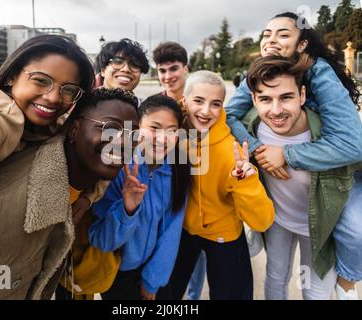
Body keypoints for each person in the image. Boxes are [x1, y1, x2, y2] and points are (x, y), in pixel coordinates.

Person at [0, 87, 139, 299]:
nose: (124, 142)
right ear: (74, 130)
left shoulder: (86, 185)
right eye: (110, 128)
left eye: (133, 134)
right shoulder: (11, 200)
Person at [225, 12, 362, 300]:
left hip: (323, 202)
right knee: (277, 275)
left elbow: (352, 144)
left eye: (283, 34)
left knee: (354, 229)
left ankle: (348, 279)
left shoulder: (318, 71)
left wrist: (286, 154)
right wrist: (256, 148)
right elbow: (228, 114)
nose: (271, 39)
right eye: (266, 34)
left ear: (302, 45)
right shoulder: (260, 74)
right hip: (281, 216)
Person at [0, 34, 95, 230]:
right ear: (12, 75)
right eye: (41, 81)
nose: (53, 98)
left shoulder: (55, 125)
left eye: (68, 90)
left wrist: (88, 198)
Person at [169, 70, 275, 300]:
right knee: (165, 292)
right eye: (198, 100)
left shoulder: (232, 151)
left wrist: (246, 182)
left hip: (224, 234)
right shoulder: (172, 135)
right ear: (185, 101)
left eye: (215, 104)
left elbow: (263, 220)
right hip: (182, 230)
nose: (206, 111)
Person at [89, 94, 190, 300]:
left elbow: (172, 231)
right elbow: (102, 240)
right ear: (136, 128)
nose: (162, 139)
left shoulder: (178, 170)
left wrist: (152, 281)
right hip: (118, 274)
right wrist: (127, 210)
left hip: (155, 273)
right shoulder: (118, 169)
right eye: (154, 128)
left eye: (171, 131)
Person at [153, 41, 206, 297]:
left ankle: (194, 296)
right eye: (162, 71)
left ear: (186, 68)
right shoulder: (155, 104)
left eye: (173, 68)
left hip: (199, 180)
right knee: (170, 246)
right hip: (168, 182)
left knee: (197, 249)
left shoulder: (201, 102)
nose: (167, 76)